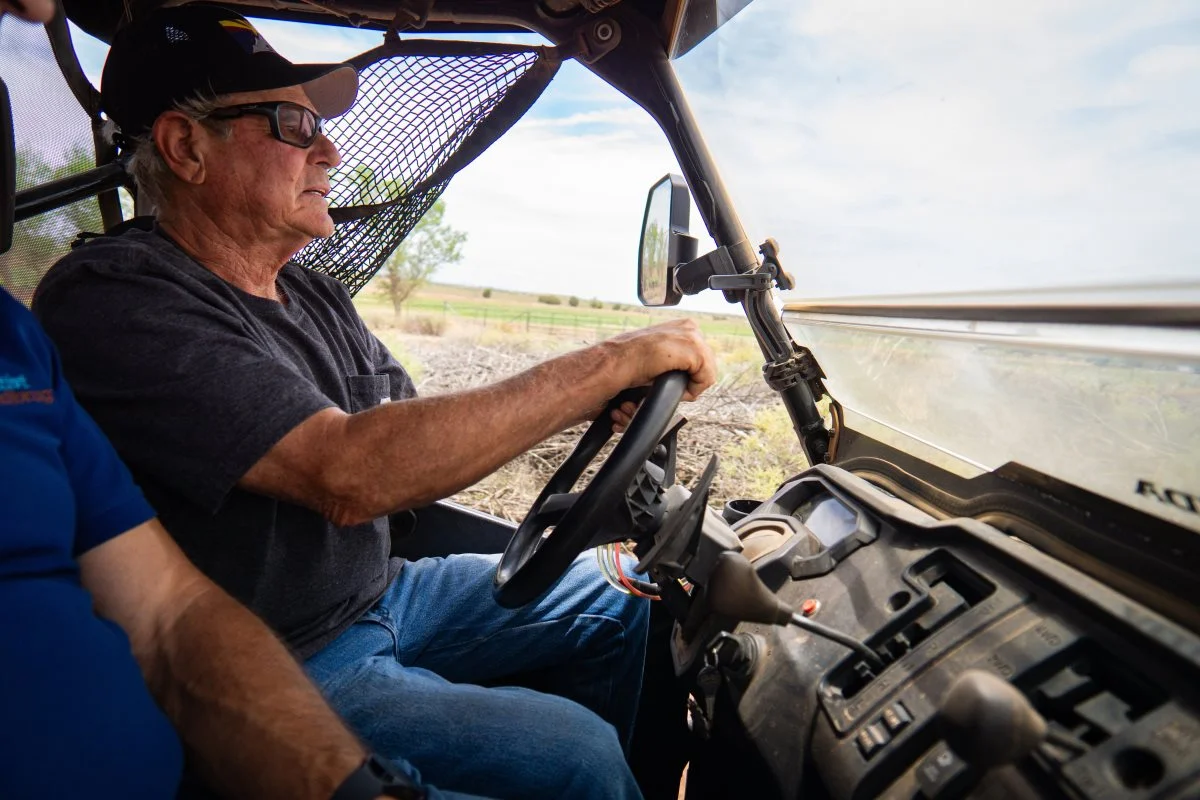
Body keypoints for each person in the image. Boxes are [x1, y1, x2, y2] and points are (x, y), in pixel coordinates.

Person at [32, 5, 716, 799]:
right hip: (283, 651)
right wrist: (604, 363)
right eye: (294, 123)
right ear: (187, 148)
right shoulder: (115, 299)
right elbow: (350, 471)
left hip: (384, 592)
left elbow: (410, 446)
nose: (330, 148)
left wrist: (583, 399)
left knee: (622, 592)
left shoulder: (312, 293)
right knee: (579, 755)